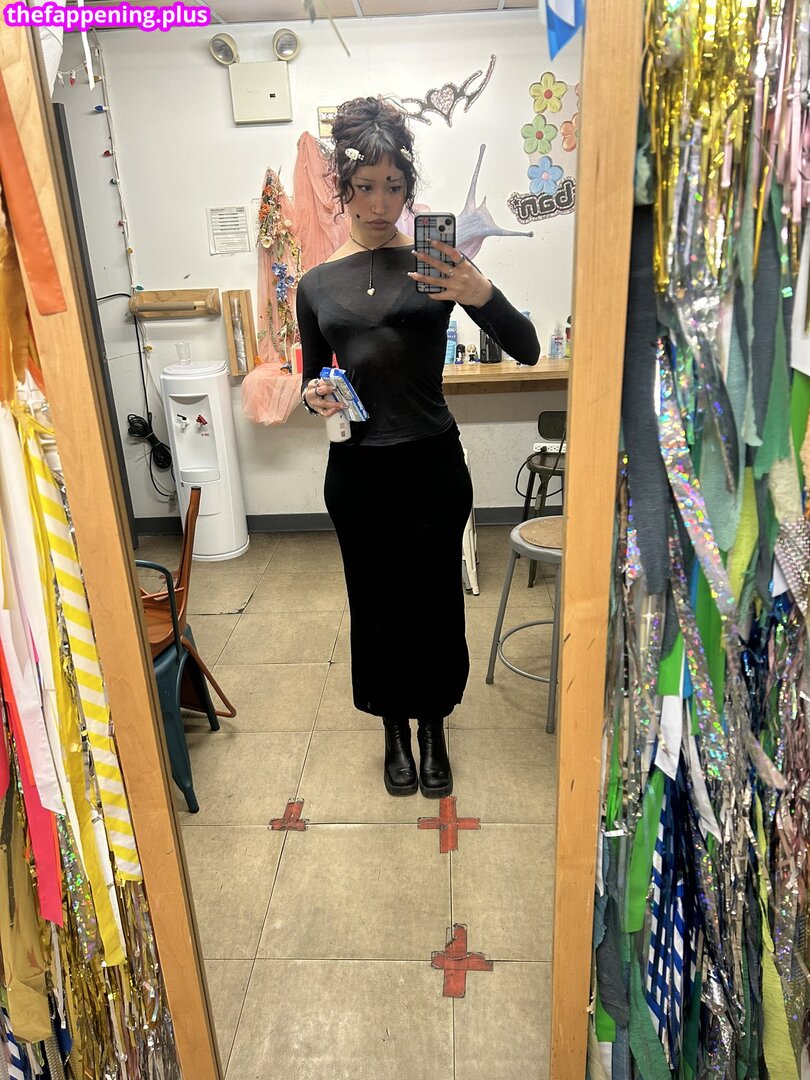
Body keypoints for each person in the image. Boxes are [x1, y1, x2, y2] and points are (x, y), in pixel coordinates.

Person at [297, 96, 540, 799]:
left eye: (394, 186)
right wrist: (315, 394)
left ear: (410, 187)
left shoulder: (436, 264)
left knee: (434, 604)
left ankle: (433, 727)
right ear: (343, 188)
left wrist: (480, 290)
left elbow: (526, 348)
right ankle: (392, 730)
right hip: (357, 472)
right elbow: (313, 374)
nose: (380, 204)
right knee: (375, 605)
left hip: (432, 464)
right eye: (364, 186)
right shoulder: (316, 284)